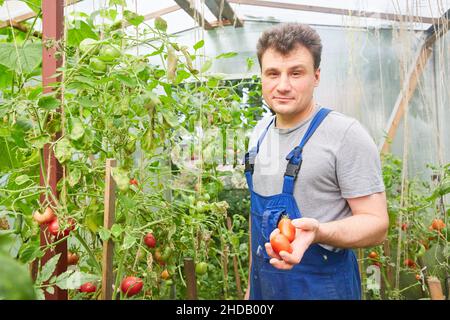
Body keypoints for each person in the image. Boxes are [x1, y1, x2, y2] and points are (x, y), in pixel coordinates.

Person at [243, 23, 388, 300]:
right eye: (273, 73)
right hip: (266, 286)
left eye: (296, 73)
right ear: (261, 76)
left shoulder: (345, 135)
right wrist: (251, 292)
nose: (283, 85)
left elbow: (376, 224)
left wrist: (319, 232)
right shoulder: (259, 134)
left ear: (316, 76)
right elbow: (258, 220)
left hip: (322, 287)